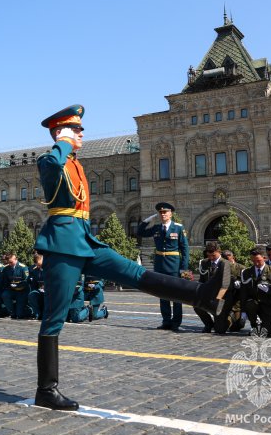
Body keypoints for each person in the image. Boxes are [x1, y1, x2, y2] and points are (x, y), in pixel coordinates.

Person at [33, 104, 223, 410]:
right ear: (61, 132)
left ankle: (203, 296)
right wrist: (63, 141)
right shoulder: (50, 159)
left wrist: (66, 143)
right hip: (63, 246)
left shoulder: (75, 164)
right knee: (55, 317)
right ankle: (46, 390)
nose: (81, 134)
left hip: (85, 240)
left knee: (133, 274)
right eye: (75, 130)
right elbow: (54, 166)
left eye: (79, 130)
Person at [138, 202, 189, 331]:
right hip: (160, 265)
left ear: (171, 214)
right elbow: (140, 232)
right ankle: (166, 321)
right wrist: (148, 220)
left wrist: (183, 268)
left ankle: (176, 322)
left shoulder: (178, 228)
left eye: (165, 212)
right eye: (160, 212)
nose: (163, 214)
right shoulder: (156, 228)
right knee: (162, 294)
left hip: (174, 265)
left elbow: (185, 249)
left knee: (176, 295)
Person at [236, 246, 271, 336]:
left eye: (258, 260)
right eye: (253, 261)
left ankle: (270, 325)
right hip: (254, 302)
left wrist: (269, 290)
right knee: (250, 304)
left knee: (267, 332)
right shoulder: (246, 272)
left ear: (264, 258)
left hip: (268, 304)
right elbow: (244, 292)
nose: (256, 263)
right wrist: (243, 311)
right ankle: (254, 326)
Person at [195, 242, 231, 333]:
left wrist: (217, 300)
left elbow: (225, 285)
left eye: (213, 255)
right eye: (209, 255)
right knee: (196, 305)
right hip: (209, 294)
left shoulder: (224, 263)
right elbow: (202, 280)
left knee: (220, 329)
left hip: (222, 296)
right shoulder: (204, 263)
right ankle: (208, 324)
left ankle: (231, 318)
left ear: (219, 251)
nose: (211, 258)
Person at [0, 252, 30, 319]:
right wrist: (9, 286)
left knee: (20, 315)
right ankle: (12, 312)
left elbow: (26, 281)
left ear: (16, 259)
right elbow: (5, 282)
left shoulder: (23, 268)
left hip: (21, 291)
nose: (10, 264)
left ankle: (28, 311)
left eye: (11, 262)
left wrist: (18, 285)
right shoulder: (6, 269)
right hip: (12, 290)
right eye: (9, 262)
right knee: (5, 295)